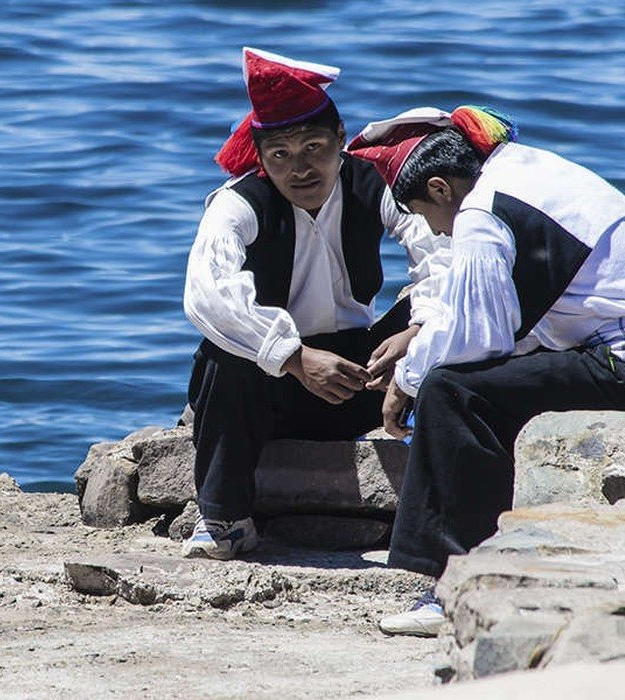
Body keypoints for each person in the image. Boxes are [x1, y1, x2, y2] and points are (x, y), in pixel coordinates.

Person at [347, 106, 625, 636]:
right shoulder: (521, 167)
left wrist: (406, 380)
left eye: (428, 217)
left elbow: (479, 337)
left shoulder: (478, 214)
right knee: (477, 380)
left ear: (441, 188)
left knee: (452, 392)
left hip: (618, 358)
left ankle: (449, 578)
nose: (438, 231)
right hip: (608, 339)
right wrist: (421, 338)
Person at [181, 47, 451, 560]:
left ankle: (446, 500)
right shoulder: (237, 204)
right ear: (260, 159)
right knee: (222, 351)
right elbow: (205, 292)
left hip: (363, 374)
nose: (300, 168)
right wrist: (294, 357)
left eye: (313, 148)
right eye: (280, 154)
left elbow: (440, 251)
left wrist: (418, 335)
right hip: (273, 385)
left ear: (341, 142)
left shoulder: (374, 183)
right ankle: (225, 520)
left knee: (450, 309)